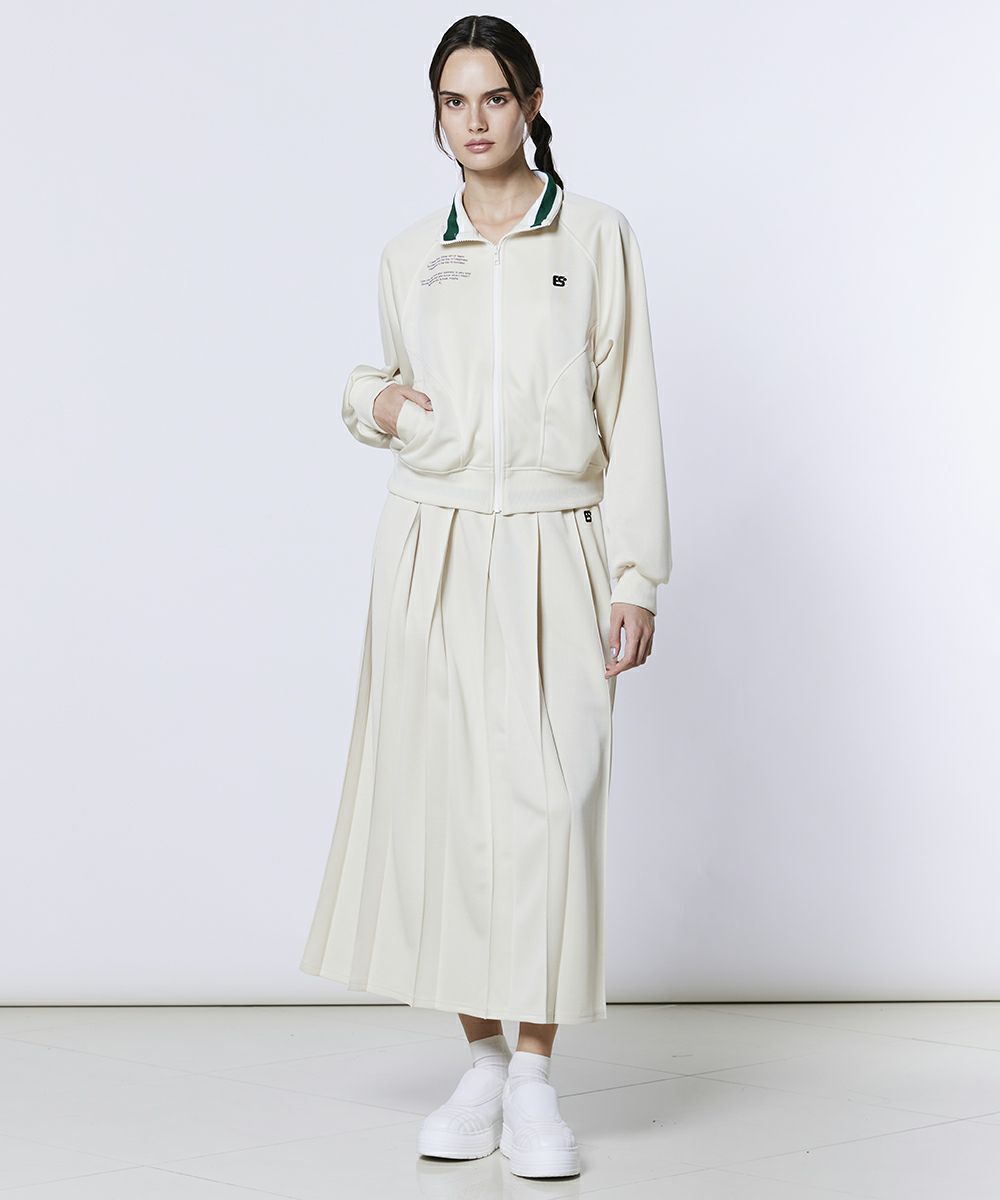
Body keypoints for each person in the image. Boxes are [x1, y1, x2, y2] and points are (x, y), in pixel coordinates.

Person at [299, 14, 672, 1181]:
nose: (474, 120)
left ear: (530, 103)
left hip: (560, 540)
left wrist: (636, 573)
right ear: (437, 115)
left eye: (494, 98)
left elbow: (632, 409)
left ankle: (537, 1076)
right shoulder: (410, 254)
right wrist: (373, 402)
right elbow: (386, 386)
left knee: (554, 804)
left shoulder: (596, 236)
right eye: (454, 101)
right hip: (435, 545)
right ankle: (478, 1062)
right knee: (455, 810)